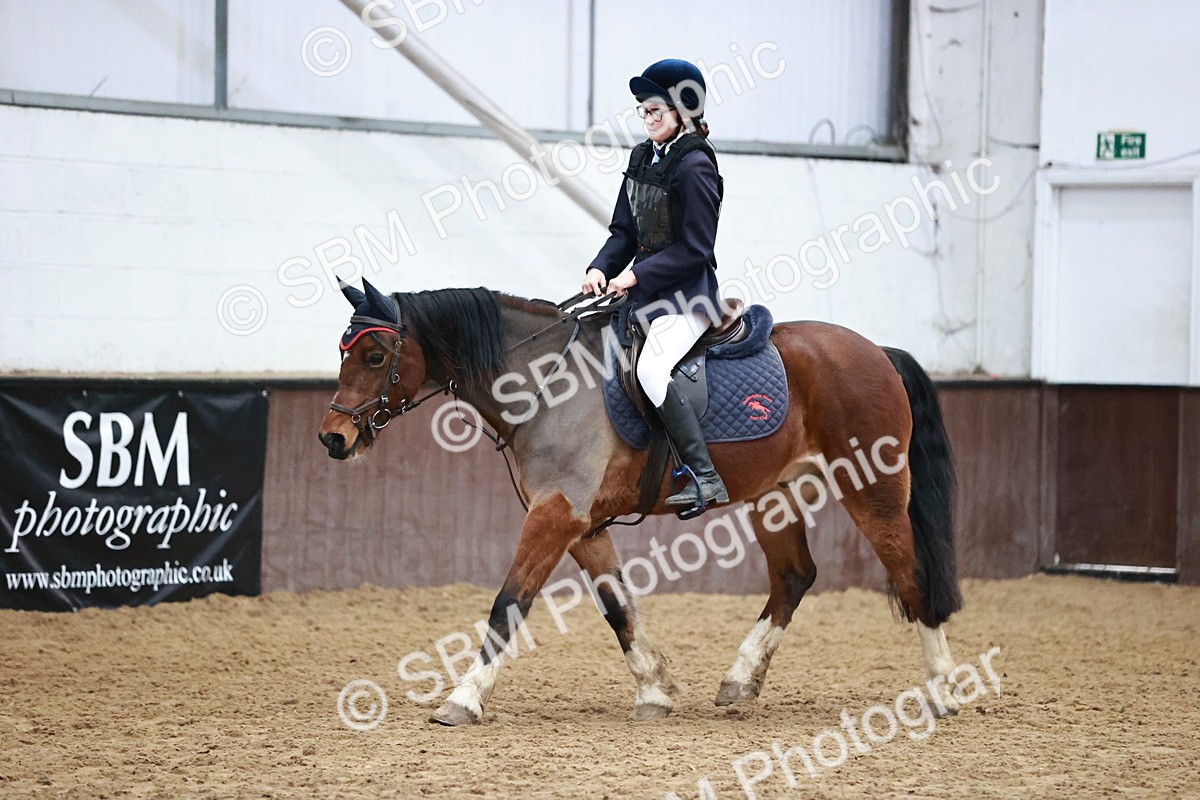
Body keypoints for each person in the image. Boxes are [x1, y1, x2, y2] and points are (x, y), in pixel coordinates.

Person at [583, 58, 728, 510]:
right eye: (642, 112)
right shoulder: (642, 157)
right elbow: (624, 232)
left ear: (684, 113)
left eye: (655, 112)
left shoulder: (695, 167)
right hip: (643, 292)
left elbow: (695, 249)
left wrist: (636, 274)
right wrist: (600, 267)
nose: (646, 120)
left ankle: (706, 477)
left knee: (650, 369)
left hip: (688, 298)